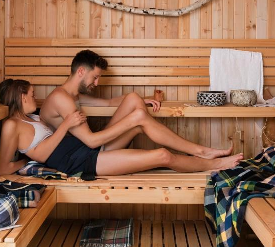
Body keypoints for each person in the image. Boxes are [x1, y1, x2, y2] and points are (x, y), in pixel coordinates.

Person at [39, 49, 241, 175]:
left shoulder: (72, 95)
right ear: (81, 71)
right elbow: (91, 141)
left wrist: (143, 101)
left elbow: (109, 102)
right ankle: (205, 157)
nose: (97, 83)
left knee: (133, 99)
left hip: (90, 150)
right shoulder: (61, 99)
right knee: (152, 138)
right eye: (95, 77)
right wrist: (133, 119)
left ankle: (200, 152)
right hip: (85, 157)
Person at [0, 79, 243, 177]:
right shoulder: (11, 126)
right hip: (82, 164)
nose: (35, 98)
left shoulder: (32, 117)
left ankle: (203, 152)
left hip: (87, 152)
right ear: (20, 97)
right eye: (31, 94)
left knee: (139, 122)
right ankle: (213, 163)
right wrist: (25, 163)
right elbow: (4, 167)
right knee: (162, 156)